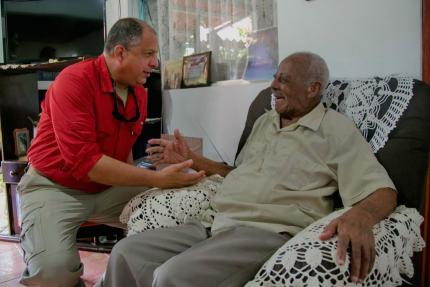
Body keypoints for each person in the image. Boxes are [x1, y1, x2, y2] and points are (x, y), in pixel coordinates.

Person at [99, 52, 397, 287]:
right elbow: (237, 172)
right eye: (274, 78)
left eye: (284, 80)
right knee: (125, 254)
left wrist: (361, 215)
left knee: (172, 277)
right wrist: (192, 159)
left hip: (263, 232)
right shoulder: (266, 121)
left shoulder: (335, 130)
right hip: (214, 222)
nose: (274, 86)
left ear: (313, 88)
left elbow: (381, 190)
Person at [17, 18, 205, 287]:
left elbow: (125, 151)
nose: (155, 63)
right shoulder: (73, 81)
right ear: (120, 53)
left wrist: (166, 170)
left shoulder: (138, 92)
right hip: (54, 187)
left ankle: (121, 279)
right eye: (149, 54)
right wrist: (156, 179)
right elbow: (86, 163)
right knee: (54, 272)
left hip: (106, 188)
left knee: (175, 212)